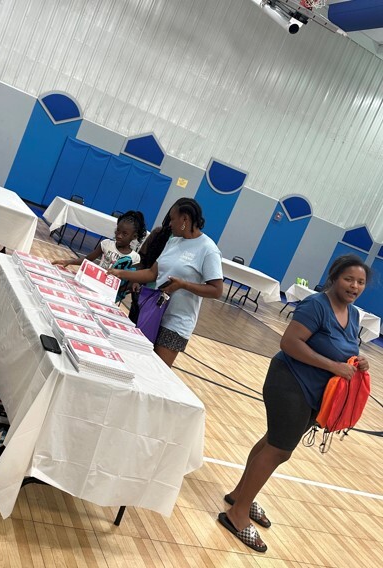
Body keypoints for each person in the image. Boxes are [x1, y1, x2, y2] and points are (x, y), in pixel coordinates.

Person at [218, 255, 371, 553]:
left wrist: (357, 361)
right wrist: (333, 365)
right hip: (290, 383)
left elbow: (346, 349)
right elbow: (289, 342)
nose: (354, 286)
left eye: (361, 282)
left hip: (318, 393)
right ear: (334, 277)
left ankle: (240, 496)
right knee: (279, 450)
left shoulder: (353, 315)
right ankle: (236, 515)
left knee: (271, 441)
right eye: (349, 279)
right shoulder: (317, 305)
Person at [108, 198, 223, 367]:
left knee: (155, 372)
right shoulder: (173, 241)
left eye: (172, 218)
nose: (169, 223)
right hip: (153, 313)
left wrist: (184, 284)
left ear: (185, 219)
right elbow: (152, 273)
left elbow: (216, 290)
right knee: (135, 364)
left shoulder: (208, 249)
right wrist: (120, 273)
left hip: (176, 323)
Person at [52, 210, 146, 270]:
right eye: (118, 230)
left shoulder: (135, 257)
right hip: (97, 282)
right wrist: (69, 261)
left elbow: (130, 279)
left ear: (134, 236)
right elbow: (88, 259)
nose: (119, 236)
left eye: (124, 234)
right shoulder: (106, 244)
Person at [127, 210, 172, 323]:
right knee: (133, 322)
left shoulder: (186, 243)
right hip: (144, 290)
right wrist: (136, 280)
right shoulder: (158, 233)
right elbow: (142, 258)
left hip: (164, 298)